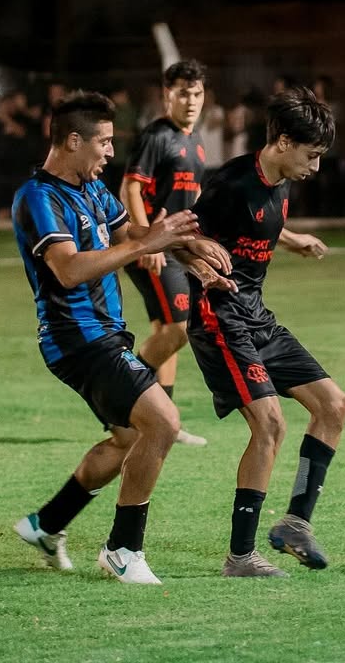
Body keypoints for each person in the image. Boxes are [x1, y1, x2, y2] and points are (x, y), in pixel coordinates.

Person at [10, 91, 234, 584]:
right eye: (104, 142)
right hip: (78, 339)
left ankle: (47, 524)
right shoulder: (38, 198)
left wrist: (186, 249)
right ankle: (123, 548)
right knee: (165, 422)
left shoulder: (91, 189)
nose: (111, 152)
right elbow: (68, 270)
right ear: (74, 141)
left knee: (128, 438)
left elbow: (127, 233)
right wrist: (149, 244)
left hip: (104, 334)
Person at [176, 86, 345, 577]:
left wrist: (292, 240)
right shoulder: (230, 182)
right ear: (283, 142)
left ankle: (295, 523)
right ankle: (240, 557)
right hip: (218, 318)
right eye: (311, 156)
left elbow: (261, 224)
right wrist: (203, 268)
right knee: (270, 424)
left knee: (334, 406)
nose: (314, 168)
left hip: (257, 316)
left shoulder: (283, 179)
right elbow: (179, 238)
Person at [120, 59, 212, 447]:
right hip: (155, 247)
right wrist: (149, 243)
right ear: (166, 95)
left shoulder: (195, 143)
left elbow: (193, 196)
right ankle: (123, 391)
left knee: (167, 330)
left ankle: (163, 419)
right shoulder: (157, 136)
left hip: (175, 247)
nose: (191, 101)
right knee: (180, 328)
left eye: (197, 94)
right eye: (182, 94)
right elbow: (130, 189)